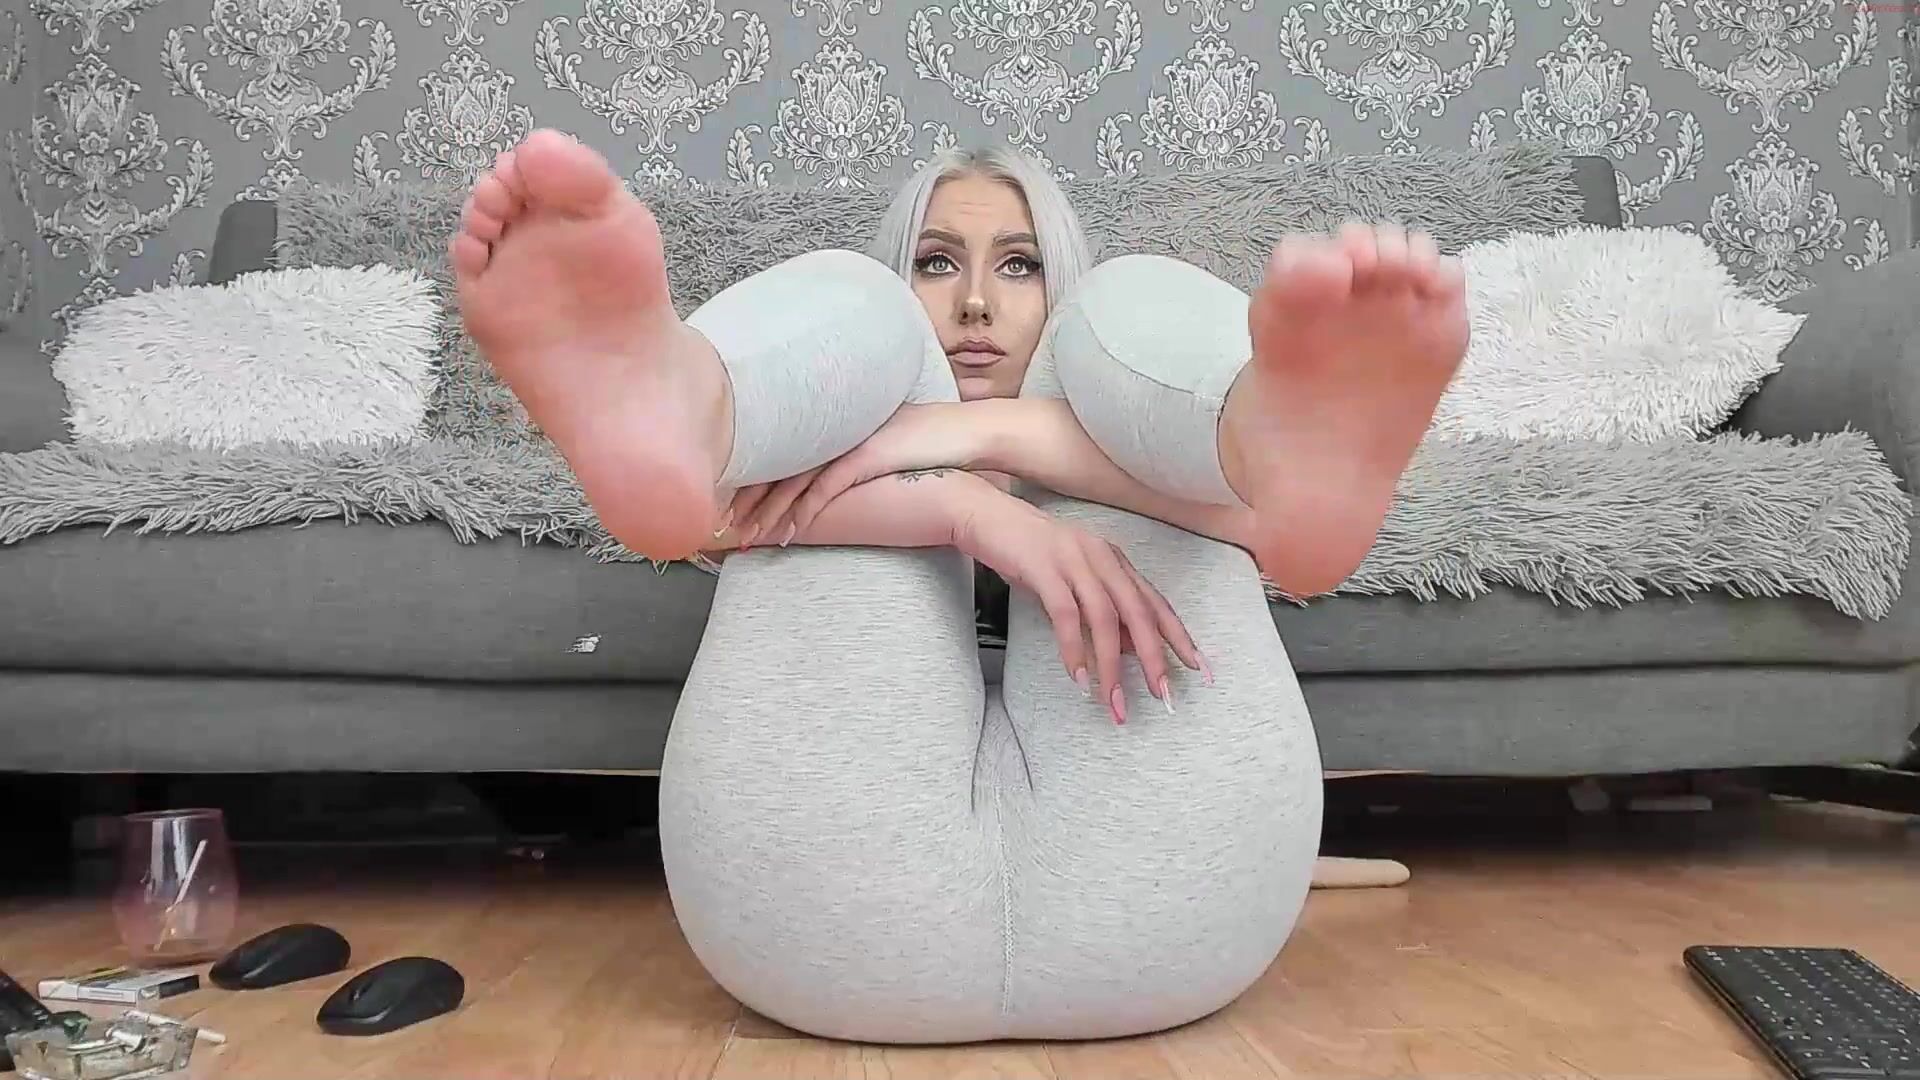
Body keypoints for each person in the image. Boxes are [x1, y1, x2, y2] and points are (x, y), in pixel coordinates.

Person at [448, 129, 1467, 1044]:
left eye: (1020, 266)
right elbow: (697, 519)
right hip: (836, 891)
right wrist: (966, 509)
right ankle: (696, 397)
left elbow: (1281, 540)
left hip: (1161, 885)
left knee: (1120, 300)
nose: (975, 302)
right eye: (935, 263)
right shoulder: (849, 392)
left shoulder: (1097, 386)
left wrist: (986, 436)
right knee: (860, 301)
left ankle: (1253, 426)